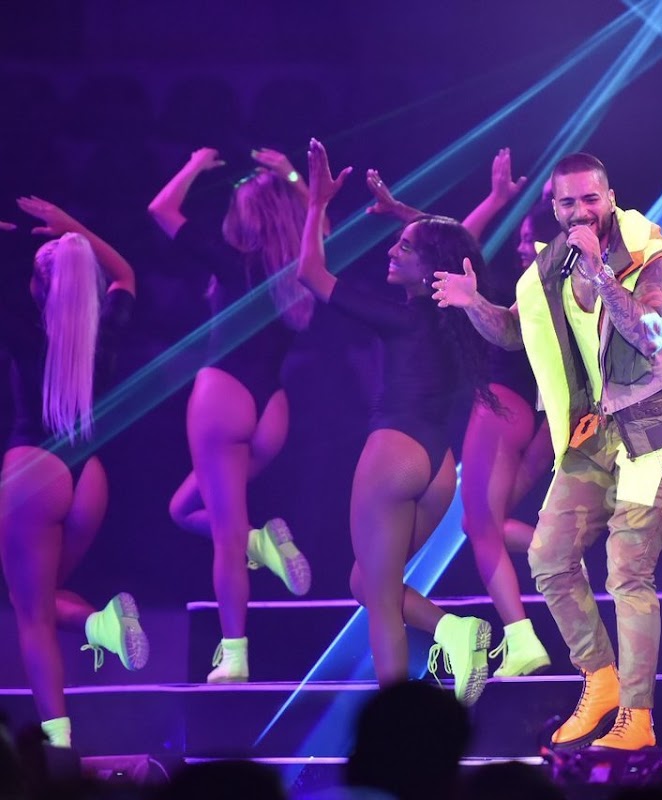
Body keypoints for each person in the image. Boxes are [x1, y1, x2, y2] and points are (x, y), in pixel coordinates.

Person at [433, 152, 662, 750]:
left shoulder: (654, 258)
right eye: (568, 202)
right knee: (548, 554)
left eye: (590, 199)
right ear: (555, 208)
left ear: (609, 197)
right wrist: (472, 302)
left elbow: (651, 335)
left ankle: (637, 717)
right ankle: (600, 679)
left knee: (627, 569)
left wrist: (603, 274)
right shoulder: (552, 265)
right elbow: (515, 329)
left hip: (661, 423)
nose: (580, 211)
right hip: (600, 426)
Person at [299, 139, 495, 702]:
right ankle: (454, 629)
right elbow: (454, 244)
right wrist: (405, 214)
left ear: (427, 267)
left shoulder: (401, 317)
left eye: (404, 247)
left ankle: (399, 728)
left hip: (393, 455)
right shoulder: (456, 310)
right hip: (439, 466)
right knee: (366, 581)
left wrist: (316, 202)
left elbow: (310, 272)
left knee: (381, 602)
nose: (391, 250)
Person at [364, 152, 555, 677]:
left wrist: (418, 213)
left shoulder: (518, 292)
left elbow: (448, 251)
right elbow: (446, 245)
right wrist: (405, 212)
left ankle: (521, 637)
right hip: (538, 417)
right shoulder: (556, 289)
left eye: (527, 239)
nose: (519, 246)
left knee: (483, 528)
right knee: (481, 522)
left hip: (499, 407)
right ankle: (560, 557)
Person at [149, 146, 315, 683]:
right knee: (182, 509)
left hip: (224, 397)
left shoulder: (232, 260)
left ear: (246, 217)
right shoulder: (301, 270)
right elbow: (321, 221)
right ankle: (260, 542)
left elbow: (160, 210)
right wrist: (292, 177)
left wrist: (194, 164)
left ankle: (236, 655)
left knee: (224, 536)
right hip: (273, 409)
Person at [0, 198, 143, 749]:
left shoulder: (26, 329)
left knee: (32, 616)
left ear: (40, 287)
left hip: (33, 472)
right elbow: (125, 274)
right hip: (88, 479)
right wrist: (73, 229)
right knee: (37, 598)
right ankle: (97, 625)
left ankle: (58, 747)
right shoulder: (103, 332)